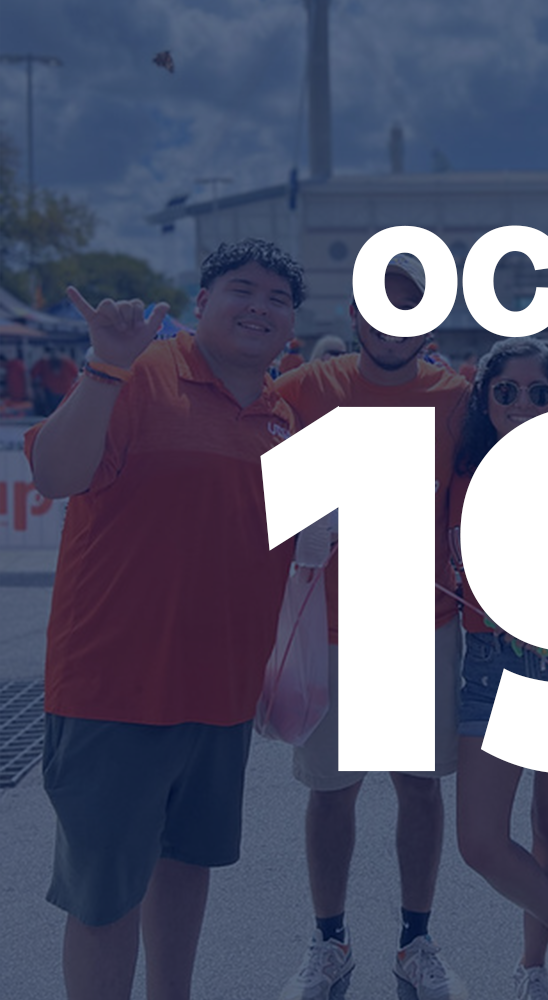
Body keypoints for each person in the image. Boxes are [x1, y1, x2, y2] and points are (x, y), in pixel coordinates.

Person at [24, 238, 305, 1000]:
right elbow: (53, 473)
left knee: (185, 866)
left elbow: (282, 550)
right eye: (242, 289)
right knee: (106, 895)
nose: (260, 306)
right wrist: (105, 366)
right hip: (115, 691)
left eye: (278, 299)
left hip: (218, 696)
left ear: (291, 330)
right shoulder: (139, 375)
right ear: (202, 302)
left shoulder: (279, 416)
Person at [275, 253, 471, 1000]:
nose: (393, 324)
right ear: (353, 318)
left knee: (418, 787)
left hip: (422, 621)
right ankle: (329, 943)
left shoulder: (458, 399)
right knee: (333, 790)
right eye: (378, 309)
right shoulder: (303, 391)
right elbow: (258, 491)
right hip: (331, 624)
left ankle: (415, 942)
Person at [450, 338, 548, 1000]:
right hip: (489, 664)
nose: (521, 404)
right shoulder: (463, 473)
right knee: (480, 841)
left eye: (537, 393)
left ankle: (533, 967)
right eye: (506, 392)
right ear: (484, 397)